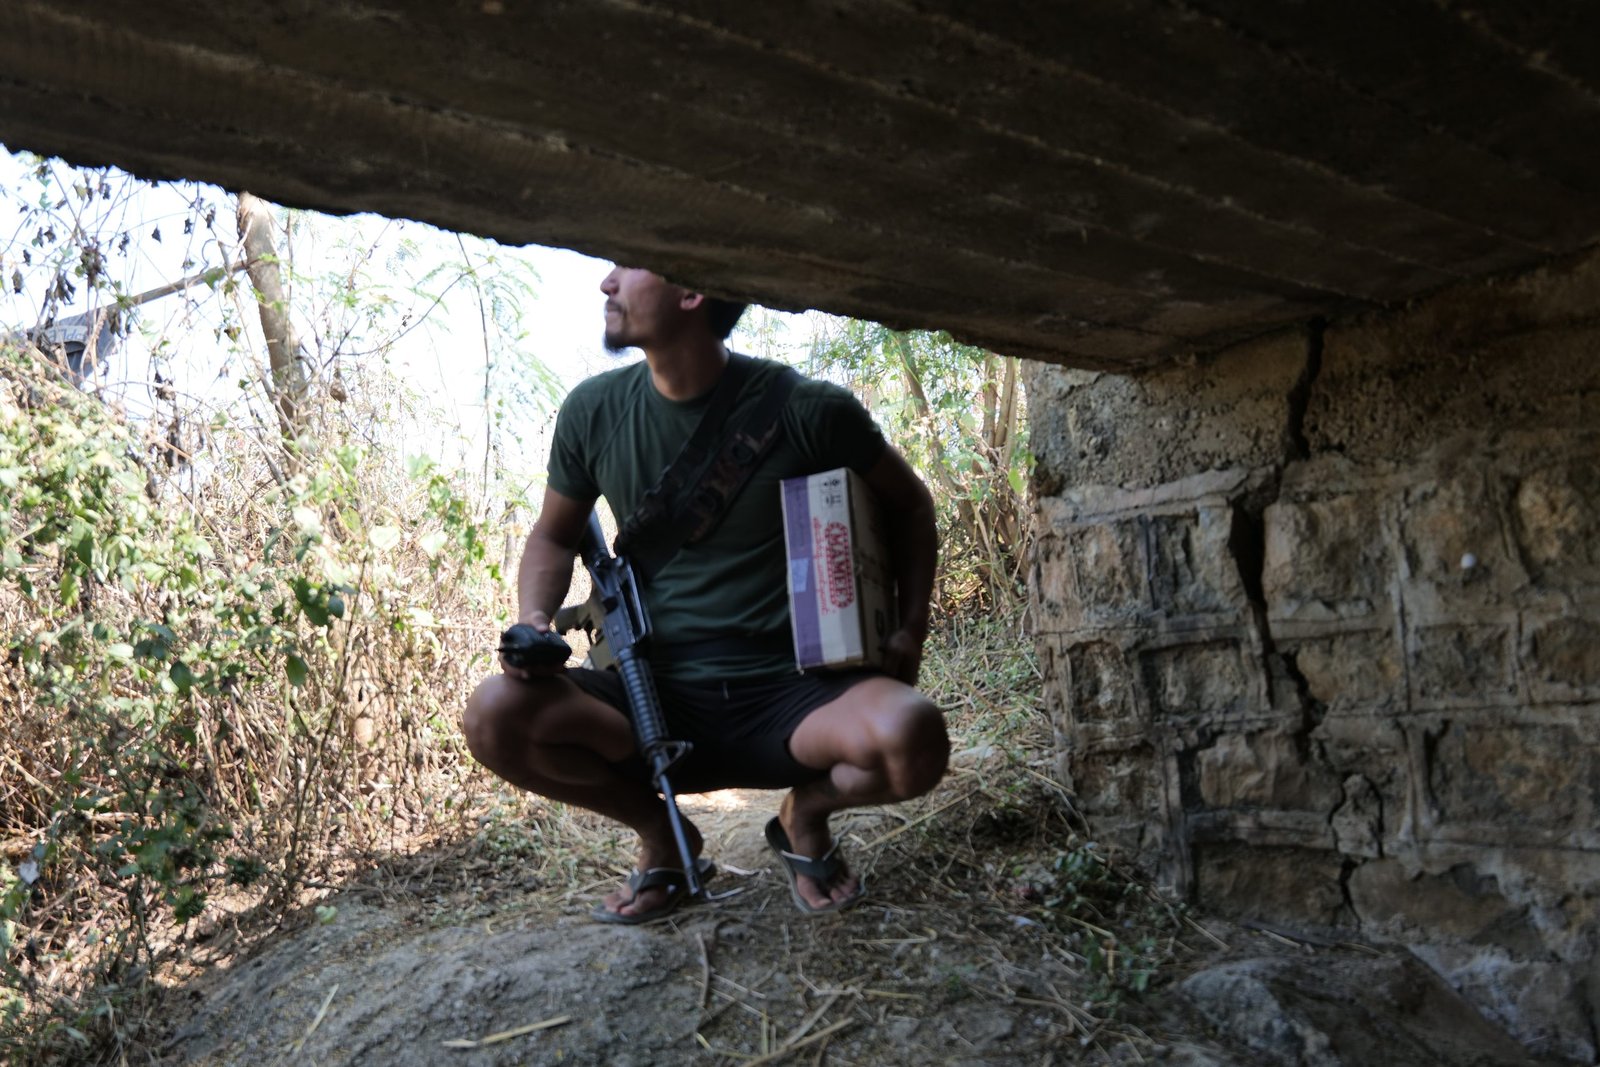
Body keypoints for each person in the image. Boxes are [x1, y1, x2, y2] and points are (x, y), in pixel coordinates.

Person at [463, 265, 948, 922]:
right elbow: (554, 536)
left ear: (692, 293)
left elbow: (910, 507)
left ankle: (802, 815)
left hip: (794, 696)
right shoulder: (593, 411)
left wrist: (908, 629)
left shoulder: (806, 409)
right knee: (493, 713)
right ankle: (664, 837)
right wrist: (535, 620)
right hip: (648, 696)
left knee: (912, 737)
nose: (606, 284)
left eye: (627, 267)